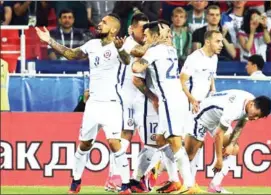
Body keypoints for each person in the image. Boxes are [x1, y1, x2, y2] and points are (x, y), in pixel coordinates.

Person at [35, 13, 133, 194]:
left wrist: (120, 50)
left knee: (114, 142)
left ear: (113, 29)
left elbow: (127, 61)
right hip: (93, 104)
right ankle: (76, 182)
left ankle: (125, 185)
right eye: (100, 21)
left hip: (112, 103)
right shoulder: (92, 44)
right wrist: (50, 41)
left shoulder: (120, 45)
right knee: (85, 145)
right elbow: (71, 54)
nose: (99, 24)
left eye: (104, 22)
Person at [132, 21, 198, 194]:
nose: (144, 38)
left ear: (154, 36)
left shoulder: (154, 51)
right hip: (176, 98)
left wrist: (142, 52)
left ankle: (190, 186)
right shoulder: (171, 49)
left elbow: (136, 67)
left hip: (169, 101)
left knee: (175, 143)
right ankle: (174, 180)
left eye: (147, 35)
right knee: (161, 141)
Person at [185, 89, 271, 193]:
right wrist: (219, 159)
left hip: (218, 118)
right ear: (252, 104)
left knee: (234, 149)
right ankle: (168, 166)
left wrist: (231, 144)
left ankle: (215, 185)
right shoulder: (233, 109)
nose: (256, 118)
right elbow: (218, 135)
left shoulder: (250, 102)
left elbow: (240, 125)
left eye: (259, 117)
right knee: (189, 155)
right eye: (256, 114)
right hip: (202, 117)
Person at [105, 12, 149, 192]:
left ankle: (138, 178)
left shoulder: (143, 44)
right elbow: (140, 53)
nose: (145, 32)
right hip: (125, 96)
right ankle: (114, 177)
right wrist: (156, 42)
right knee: (125, 135)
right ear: (132, 29)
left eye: (148, 29)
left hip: (139, 97)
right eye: (142, 28)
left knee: (148, 138)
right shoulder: (129, 43)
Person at [180, 30, 222, 186]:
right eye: (218, 41)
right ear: (208, 42)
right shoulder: (194, 58)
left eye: (222, 41)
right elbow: (182, 81)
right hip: (190, 107)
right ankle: (163, 170)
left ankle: (191, 183)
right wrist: (192, 100)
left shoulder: (214, 58)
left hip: (204, 107)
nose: (221, 45)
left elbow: (211, 77)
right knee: (189, 146)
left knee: (199, 144)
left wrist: (213, 91)